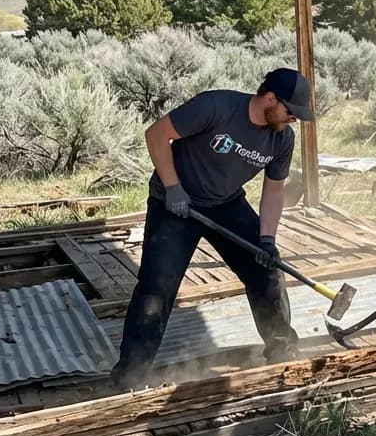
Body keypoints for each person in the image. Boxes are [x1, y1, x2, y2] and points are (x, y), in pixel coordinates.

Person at [110, 68, 316, 392]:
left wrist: (266, 239)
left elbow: (274, 190)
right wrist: (173, 187)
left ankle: (282, 354)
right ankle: (130, 378)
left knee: (266, 269)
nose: (293, 119)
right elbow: (156, 134)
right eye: (290, 111)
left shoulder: (282, 139)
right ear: (270, 98)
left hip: (226, 204)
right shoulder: (216, 107)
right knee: (157, 287)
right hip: (175, 203)